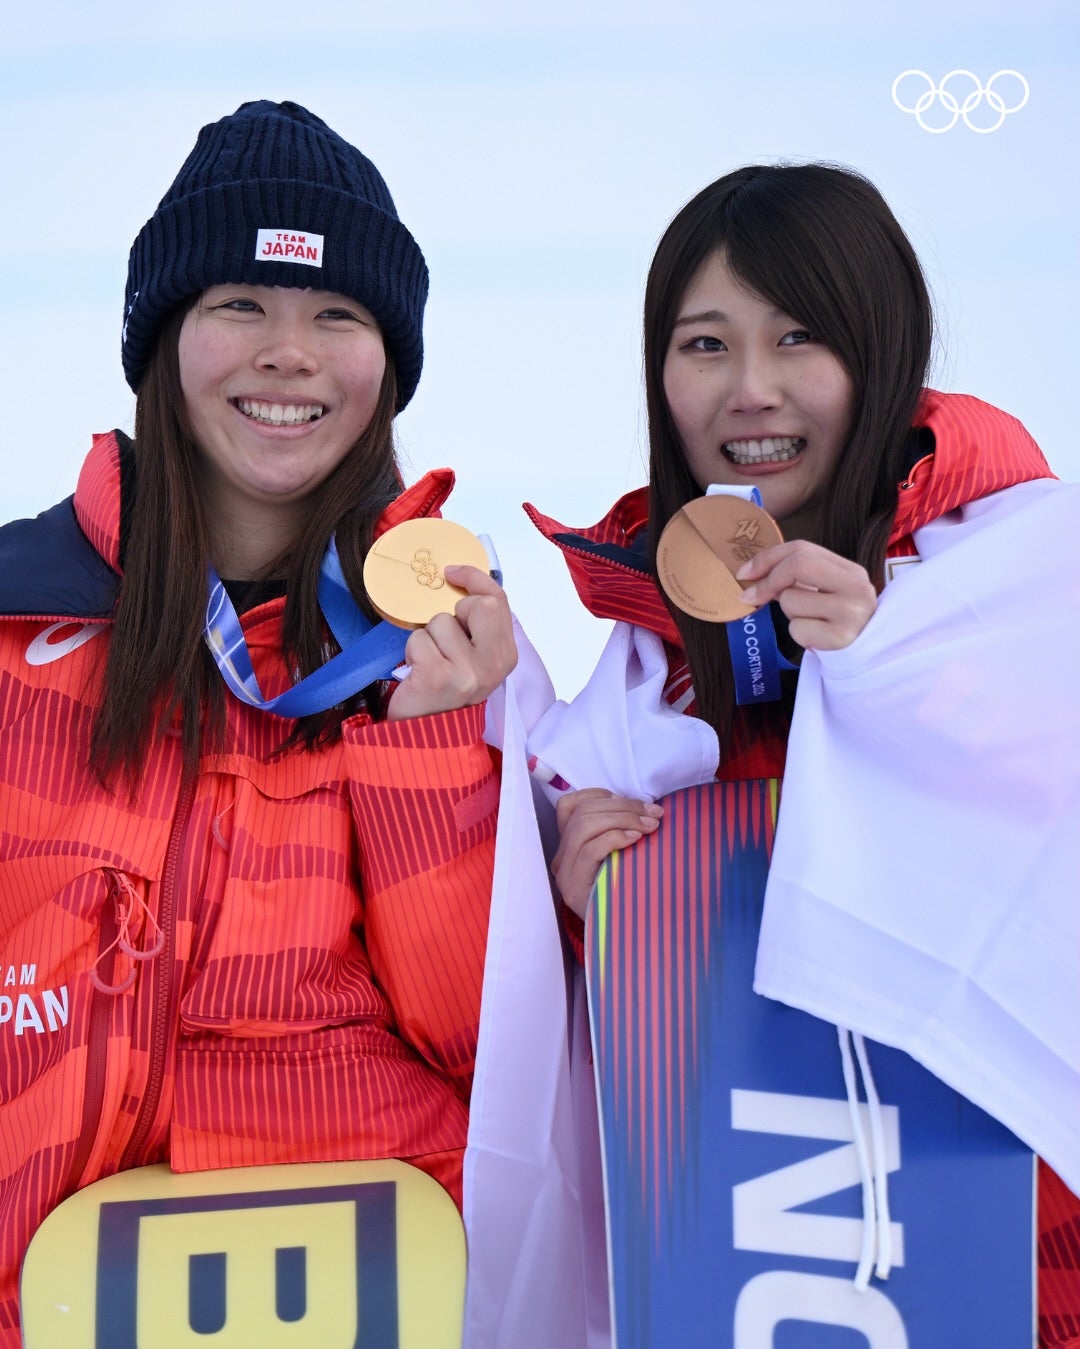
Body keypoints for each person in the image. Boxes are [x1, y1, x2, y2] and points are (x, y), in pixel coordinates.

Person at [523, 163, 1079, 1346]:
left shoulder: (1022, 572)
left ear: (881, 351)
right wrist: (577, 898)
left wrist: (895, 666)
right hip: (760, 1259)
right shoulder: (647, 659)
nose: (751, 390)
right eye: (705, 345)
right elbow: (606, 1035)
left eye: (800, 337)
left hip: (1023, 1255)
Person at [0, 99, 516, 1338]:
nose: (289, 351)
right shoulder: (16, 629)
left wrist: (433, 739)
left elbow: (483, 1048)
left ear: (387, 362)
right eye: (242, 303)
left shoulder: (449, 634)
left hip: (372, 1291)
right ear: (162, 341)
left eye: (337, 314)